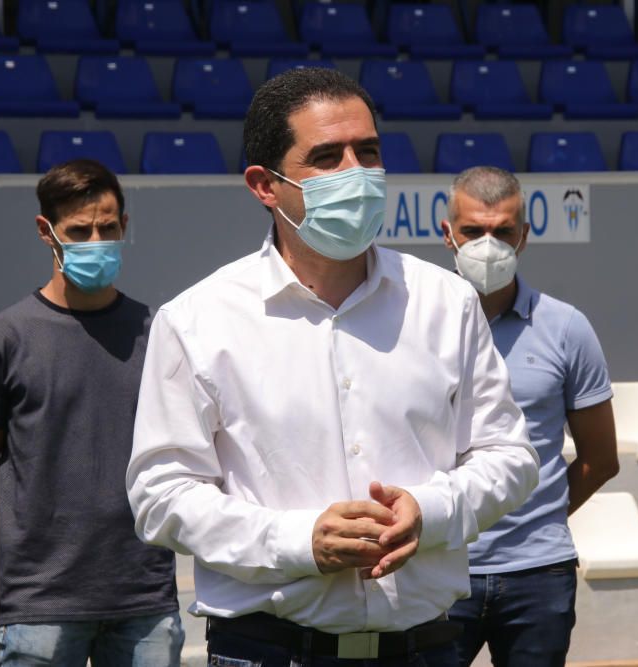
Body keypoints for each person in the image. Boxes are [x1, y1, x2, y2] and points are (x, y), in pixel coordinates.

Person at [125, 68, 539, 666]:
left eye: (367, 151)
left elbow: (510, 457)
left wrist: (433, 511)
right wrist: (298, 541)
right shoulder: (196, 321)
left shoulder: (446, 302)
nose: (356, 172)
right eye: (325, 157)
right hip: (266, 649)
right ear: (264, 186)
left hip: (424, 646)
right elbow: (160, 495)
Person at [0, 159, 183, 666]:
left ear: (125, 225)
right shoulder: (1, 339)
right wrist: (50, 493)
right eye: (79, 231)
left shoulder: (160, 334)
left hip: (143, 596)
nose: (96, 240)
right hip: (41, 600)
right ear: (46, 231)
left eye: (107, 227)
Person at [439, 167, 619, 666]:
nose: (488, 243)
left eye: (504, 231)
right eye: (474, 230)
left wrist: (539, 518)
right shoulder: (413, 325)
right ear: (447, 233)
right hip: (438, 567)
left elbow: (601, 458)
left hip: (539, 574)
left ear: (525, 236)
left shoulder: (566, 327)